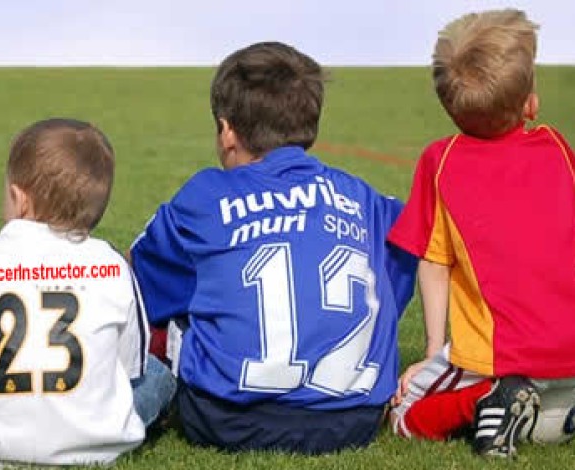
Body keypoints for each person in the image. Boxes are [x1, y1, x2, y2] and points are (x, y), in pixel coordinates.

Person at [130, 41, 417, 455]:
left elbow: (138, 282)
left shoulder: (204, 196)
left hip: (225, 418)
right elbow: (417, 256)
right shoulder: (368, 201)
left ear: (227, 131)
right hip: (352, 419)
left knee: (160, 313)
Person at [388, 9, 575, 457]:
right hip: (569, 348)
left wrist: (433, 352)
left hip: (500, 353)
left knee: (402, 415)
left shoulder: (442, 161)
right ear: (530, 103)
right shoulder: (557, 148)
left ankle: (486, 400)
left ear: (449, 108)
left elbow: (434, 264)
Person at [0, 118, 175, 468]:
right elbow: (129, 366)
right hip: (95, 445)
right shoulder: (112, 264)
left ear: (19, 199)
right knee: (157, 373)